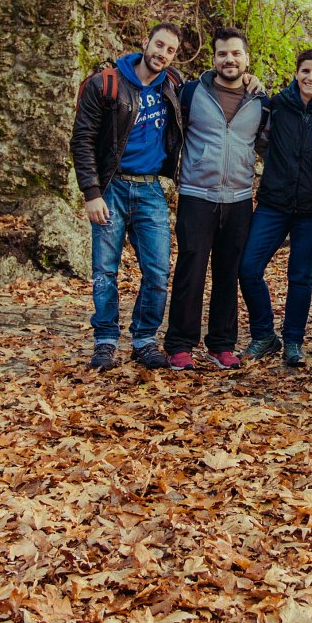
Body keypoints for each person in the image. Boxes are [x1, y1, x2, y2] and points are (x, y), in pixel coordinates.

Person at [69, 23, 185, 371]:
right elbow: (82, 139)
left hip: (150, 190)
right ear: (145, 42)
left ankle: (144, 339)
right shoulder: (106, 84)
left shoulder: (173, 85)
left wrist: (250, 81)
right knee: (105, 270)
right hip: (112, 188)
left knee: (158, 272)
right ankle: (105, 340)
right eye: (159, 45)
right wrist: (92, 193)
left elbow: (214, 87)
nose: (162, 54)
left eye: (170, 50)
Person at [164, 26, 269, 370]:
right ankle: (180, 345)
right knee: (190, 270)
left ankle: (222, 345)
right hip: (197, 195)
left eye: (236, 53)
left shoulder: (260, 101)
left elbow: (267, 145)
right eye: (223, 53)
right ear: (213, 59)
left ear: (247, 58)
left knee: (229, 273)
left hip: (239, 199)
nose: (229, 59)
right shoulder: (192, 93)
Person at [238, 50, 312, 367]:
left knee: (301, 276)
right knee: (248, 268)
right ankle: (264, 334)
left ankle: (293, 340)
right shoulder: (278, 105)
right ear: (296, 73)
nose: (310, 77)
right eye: (305, 71)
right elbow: (261, 142)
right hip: (273, 204)